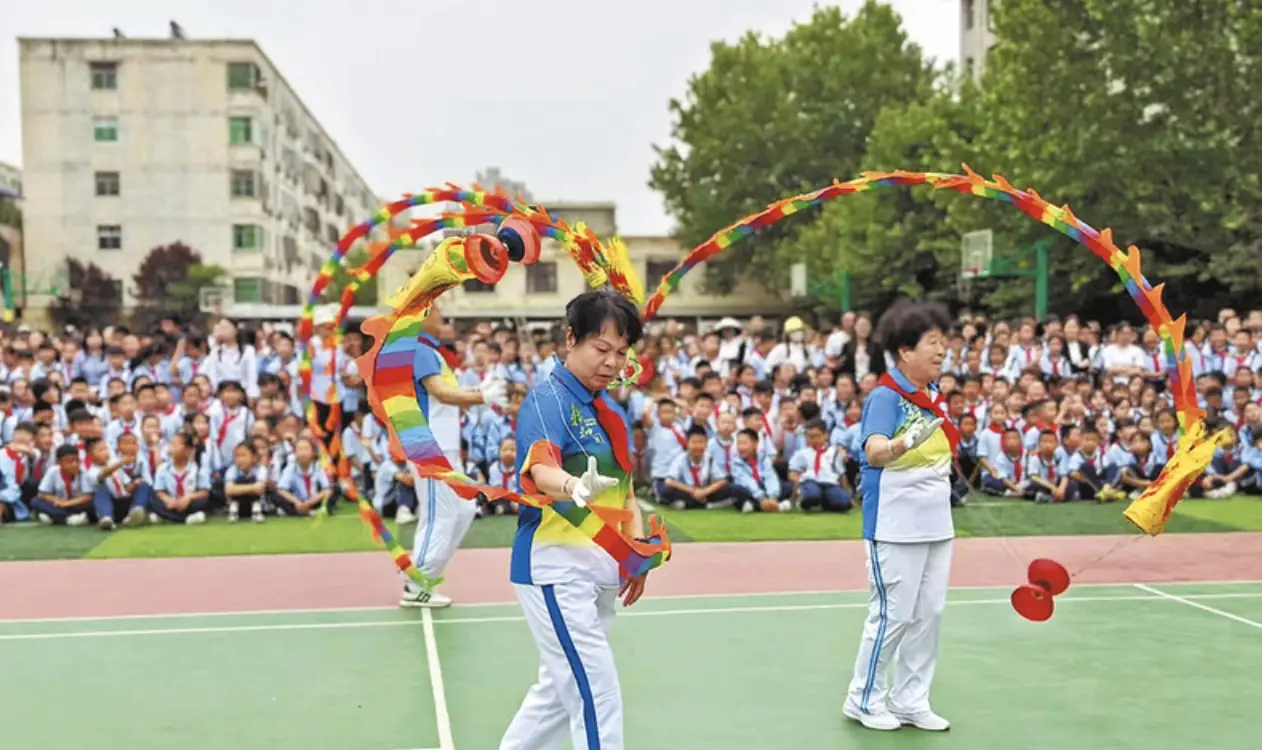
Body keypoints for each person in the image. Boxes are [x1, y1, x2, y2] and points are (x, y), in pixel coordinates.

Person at [500, 288, 647, 750]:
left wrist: (636, 551)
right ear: (570, 339)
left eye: (622, 353)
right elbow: (540, 468)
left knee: (556, 693)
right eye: (601, 348)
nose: (612, 362)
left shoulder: (613, 413)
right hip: (555, 565)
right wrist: (572, 486)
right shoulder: (546, 401)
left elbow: (627, 489)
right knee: (595, 692)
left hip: (602, 569)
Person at [844, 299, 954, 733]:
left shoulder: (932, 396)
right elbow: (873, 452)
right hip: (894, 524)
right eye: (933, 343)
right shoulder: (887, 397)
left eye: (943, 342)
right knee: (892, 615)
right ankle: (864, 698)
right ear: (905, 351)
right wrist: (905, 442)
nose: (942, 351)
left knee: (929, 614)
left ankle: (911, 699)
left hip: (936, 523)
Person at [400, 302, 508, 608]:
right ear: (421, 316)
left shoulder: (432, 353)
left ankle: (425, 572)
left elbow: (451, 397)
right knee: (440, 515)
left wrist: (481, 391)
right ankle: (415, 582)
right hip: (428, 443)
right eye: (435, 311)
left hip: (445, 443)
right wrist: (484, 396)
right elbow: (442, 394)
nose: (442, 316)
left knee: (463, 509)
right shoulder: (419, 350)